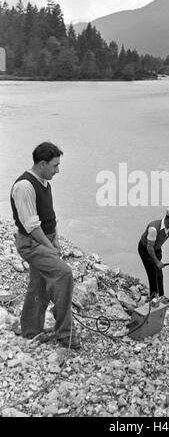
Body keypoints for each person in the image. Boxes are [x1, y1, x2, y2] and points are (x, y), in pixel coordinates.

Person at [10, 142, 80, 349]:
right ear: (42, 163)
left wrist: (55, 239)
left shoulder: (44, 181)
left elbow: (49, 216)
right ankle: (65, 333)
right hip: (32, 244)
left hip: (44, 240)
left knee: (39, 284)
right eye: (54, 166)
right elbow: (31, 225)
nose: (58, 170)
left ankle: (30, 330)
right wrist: (49, 247)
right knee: (64, 274)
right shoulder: (24, 186)